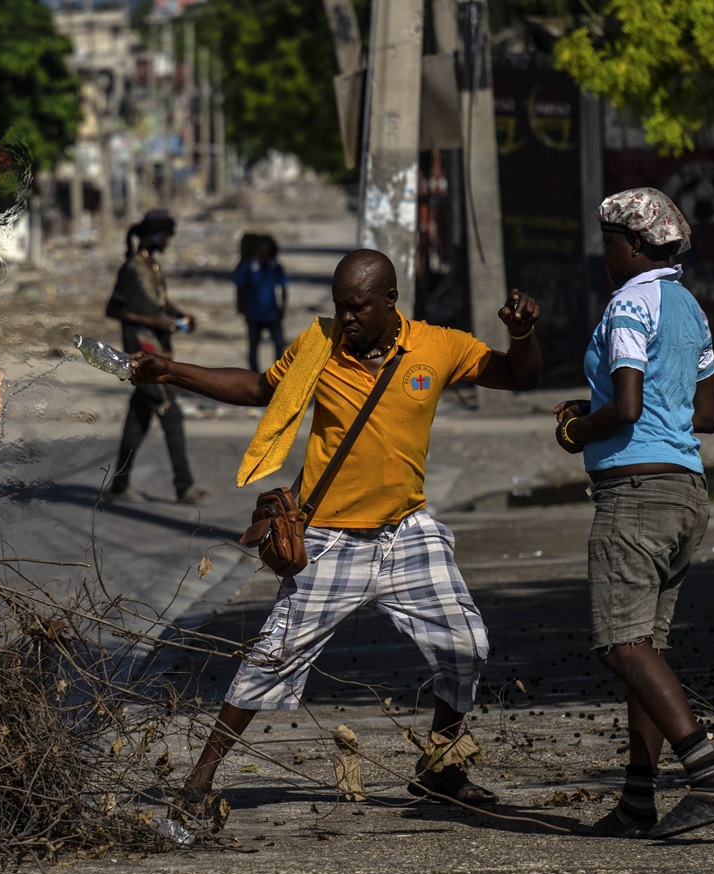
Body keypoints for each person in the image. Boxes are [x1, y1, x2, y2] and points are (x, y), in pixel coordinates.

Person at [130, 248, 543, 809]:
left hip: (406, 532)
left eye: (357, 307)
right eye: (338, 306)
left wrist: (522, 335)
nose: (345, 318)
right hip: (329, 538)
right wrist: (172, 370)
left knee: (467, 646)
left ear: (390, 301)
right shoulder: (317, 345)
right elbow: (257, 388)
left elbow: (521, 375)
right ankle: (199, 782)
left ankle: (440, 767)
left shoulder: (439, 345)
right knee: (272, 656)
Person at [552, 187, 714, 839]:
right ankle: (639, 799)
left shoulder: (628, 303)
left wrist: (578, 429)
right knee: (647, 646)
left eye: (608, 241)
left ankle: (710, 774)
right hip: (686, 491)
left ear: (633, 246)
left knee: (620, 643)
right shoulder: (691, 308)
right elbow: (708, 414)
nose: (604, 254)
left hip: (636, 492)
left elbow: (628, 407)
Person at [105, 209, 210, 506]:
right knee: (171, 413)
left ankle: (119, 486)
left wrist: (179, 314)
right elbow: (112, 310)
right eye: (166, 234)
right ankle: (184, 487)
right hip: (142, 356)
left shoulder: (153, 267)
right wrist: (154, 323)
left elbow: (159, 302)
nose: (169, 240)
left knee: (136, 421)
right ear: (154, 235)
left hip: (159, 352)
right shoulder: (130, 268)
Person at [233, 235, 289, 372]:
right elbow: (240, 288)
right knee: (253, 347)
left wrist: (282, 308)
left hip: (272, 314)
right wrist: (241, 307)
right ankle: (254, 373)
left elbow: (283, 288)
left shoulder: (275, 267)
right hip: (253, 314)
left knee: (279, 344)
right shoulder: (248, 268)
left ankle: (278, 373)